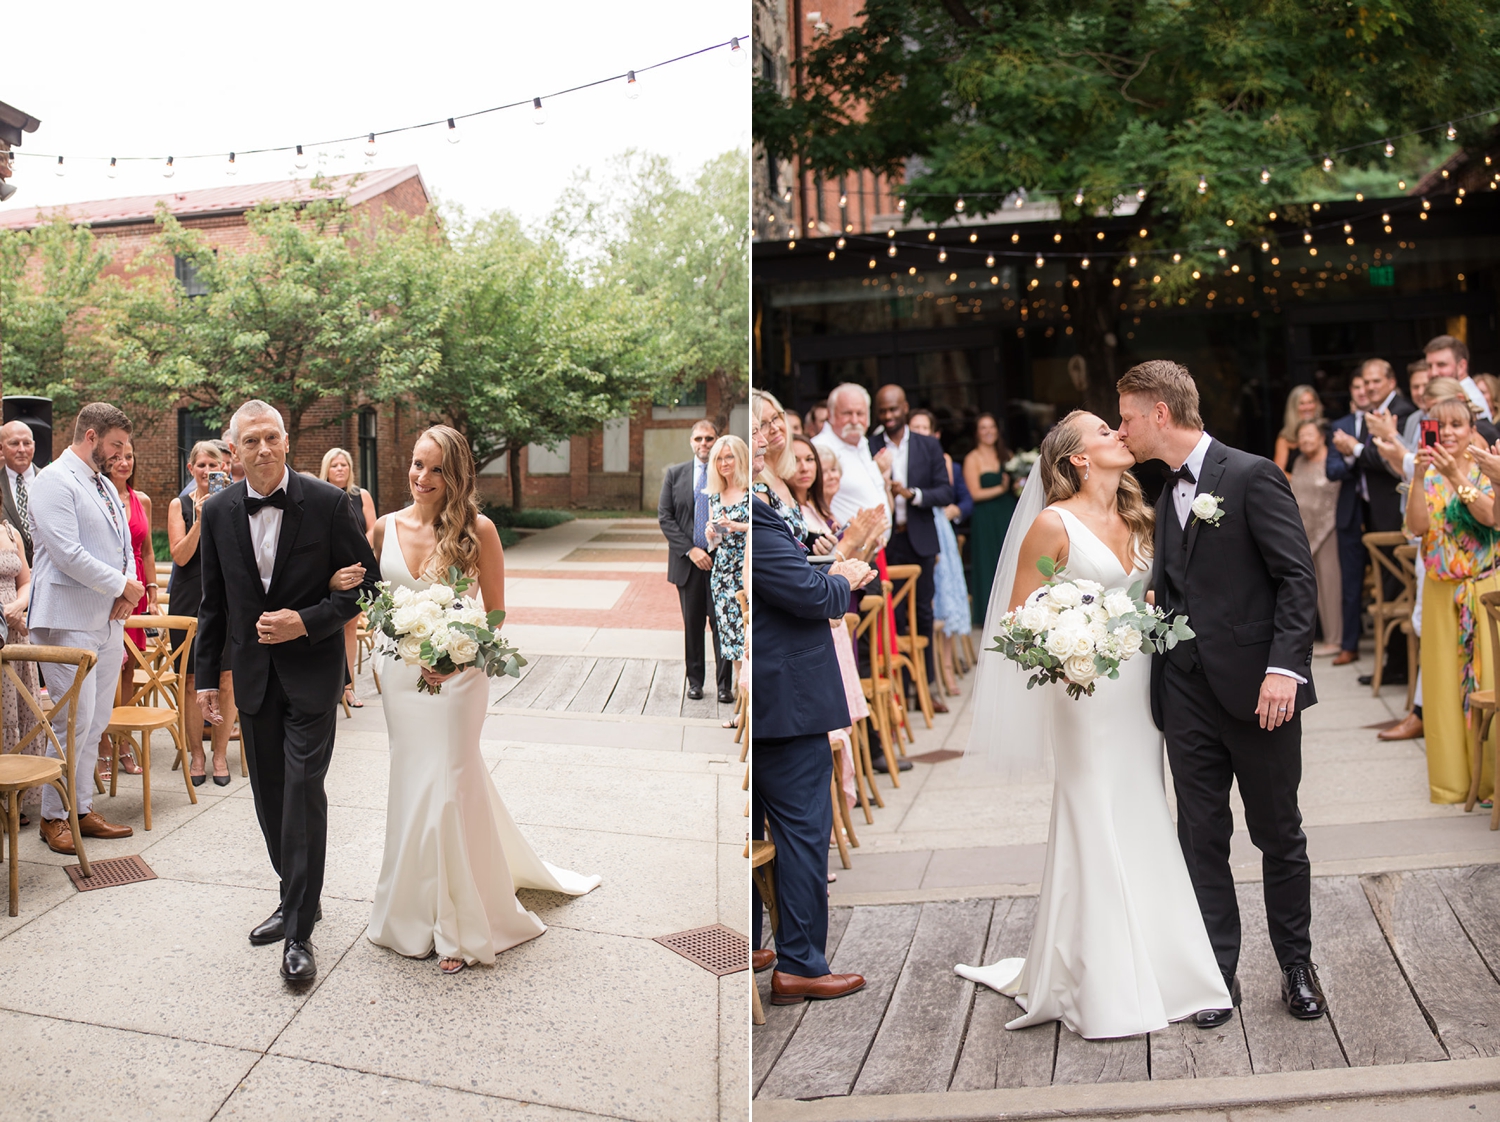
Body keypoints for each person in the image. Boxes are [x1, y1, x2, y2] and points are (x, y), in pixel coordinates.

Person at [955, 408, 1232, 1039]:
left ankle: (1163, 961)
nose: (1119, 435)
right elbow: (1016, 621)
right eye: (1104, 432)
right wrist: (1071, 641)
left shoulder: (1142, 514)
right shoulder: (1052, 525)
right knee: (1092, 808)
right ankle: (1102, 977)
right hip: (1083, 692)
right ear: (1078, 458)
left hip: (1139, 688)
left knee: (1140, 806)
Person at [1117, 360, 1324, 1024]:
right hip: (1185, 694)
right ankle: (1216, 975)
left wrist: (1283, 671)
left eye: (1125, 417)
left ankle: (1297, 966)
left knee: (1277, 835)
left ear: (1160, 414)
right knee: (1200, 836)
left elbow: (1296, 578)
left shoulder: (1252, 474)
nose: (1121, 430)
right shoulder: (1161, 491)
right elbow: (1182, 587)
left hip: (1260, 695)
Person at [366, 425, 600, 974]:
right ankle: (409, 910)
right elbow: (373, 601)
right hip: (401, 679)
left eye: (436, 469)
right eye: (417, 465)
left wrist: (451, 656)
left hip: (458, 678)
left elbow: (494, 613)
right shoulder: (382, 528)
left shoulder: (479, 531)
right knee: (411, 783)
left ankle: (460, 924)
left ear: (457, 475)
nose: (421, 478)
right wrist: (393, 650)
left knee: (449, 783)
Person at [195, 400, 380, 983]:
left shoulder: (327, 503)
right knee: (271, 798)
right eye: (250, 441)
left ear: (286, 441)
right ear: (234, 451)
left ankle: (299, 929)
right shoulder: (220, 509)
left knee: (303, 791)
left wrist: (308, 620)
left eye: (271, 437)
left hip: (312, 674)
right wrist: (205, 681)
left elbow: (369, 586)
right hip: (251, 680)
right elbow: (213, 604)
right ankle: (298, 892)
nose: (263, 449)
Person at [751, 414, 875, 1004]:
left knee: (759, 829)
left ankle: (753, 943)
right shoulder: (751, 513)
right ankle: (800, 963)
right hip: (786, 699)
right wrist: (844, 574)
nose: (768, 441)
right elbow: (807, 595)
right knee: (802, 831)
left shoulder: (753, 508)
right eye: (758, 431)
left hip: (773, 695)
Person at [28, 403, 144, 855]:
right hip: (66, 618)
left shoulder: (103, 483)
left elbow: (122, 545)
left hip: (107, 619)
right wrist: (123, 584)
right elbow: (66, 552)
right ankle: (52, 817)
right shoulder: (54, 480)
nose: (120, 457)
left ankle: (81, 807)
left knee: (95, 722)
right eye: (115, 446)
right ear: (91, 436)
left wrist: (127, 588)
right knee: (69, 722)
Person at [1405, 396, 1500, 805]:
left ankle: (1493, 782)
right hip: (1442, 593)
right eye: (1438, 426)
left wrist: (1455, 474)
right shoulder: (1426, 475)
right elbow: (1416, 526)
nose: (1447, 434)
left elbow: (1490, 516)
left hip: (1483, 594)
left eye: (1456, 425)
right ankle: (1455, 784)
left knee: (1489, 684)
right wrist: (1418, 475)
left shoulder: (1486, 468)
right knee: (1444, 689)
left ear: (1471, 427)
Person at [869, 386, 954, 711]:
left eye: (894, 410)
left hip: (919, 538)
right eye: (883, 411)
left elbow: (944, 492)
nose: (889, 416)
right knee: (894, 616)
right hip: (887, 541)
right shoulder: (870, 446)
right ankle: (901, 692)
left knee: (922, 613)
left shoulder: (928, 445)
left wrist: (912, 494)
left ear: (905, 407)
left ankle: (926, 688)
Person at [1334, 359, 1417, 686]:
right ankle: (1394, 664)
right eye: (1365, 382)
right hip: (1374, 512)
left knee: (1398, 589)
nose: (1368, 387)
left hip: (1396, 512)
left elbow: (1390, 460)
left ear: (1391, 380)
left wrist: (1353, 448)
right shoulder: (1374, 413)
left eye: (1375, 381)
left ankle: (1399, 665)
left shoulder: (1402, 411)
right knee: (1389, 587)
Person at [168, 441, 238, 786]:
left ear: (225, 468)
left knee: (226, 679)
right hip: (188, 600)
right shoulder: (178, 505)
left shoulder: (235, 502)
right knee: (193, 680)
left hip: (226, 599)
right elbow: (180, 557)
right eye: (202, 465)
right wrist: (199, 519)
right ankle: (196, 754)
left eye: (215, 464)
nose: (208, 471)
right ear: (191, 469)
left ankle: (221, 754)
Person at [658, 421, 733, 704]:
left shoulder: (727, 474)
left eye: (709, 438)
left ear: (717, 440)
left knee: (721, 624)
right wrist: (691, 550)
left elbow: (735, 516)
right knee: (692, 626)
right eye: (699, 439)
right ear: (691, 441)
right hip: (688, 564)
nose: (704, 444)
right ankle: (695, 682)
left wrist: (716, 539)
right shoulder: (675, 474)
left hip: (721, 563)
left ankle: (725, 684)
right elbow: (665, 517)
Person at [101, 439, 158, 780]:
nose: (124, 463)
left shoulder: (142, 500)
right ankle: (103, 745)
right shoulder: (99, 497)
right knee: (107, 669)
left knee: (128, 671)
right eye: (117, 457)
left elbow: (148, 551)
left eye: (129, 457)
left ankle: (124, 741)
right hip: (109, 588)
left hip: (136, 587)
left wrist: (151, 592)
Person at [910, 410, 972, 693]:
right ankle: (929, 672)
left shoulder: (942, 459)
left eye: (925, 427)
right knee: (927, 600)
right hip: (917, 527)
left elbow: (955, 495)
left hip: (939, 527)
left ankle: (947, 670)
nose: (920, 432)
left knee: (946, 595)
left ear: (935, 433)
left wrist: (955, 510)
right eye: (915, 428)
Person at [319, 447, 378, 711]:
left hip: (357, 568)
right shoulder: (319, 495)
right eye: (334, 465)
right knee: (324, 626)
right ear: (327, 469)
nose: (340, 469)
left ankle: (348, 687)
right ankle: (327, 688)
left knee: (350, 626)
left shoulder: (360, 495)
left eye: (344, 465)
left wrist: (358, 548)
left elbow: (373, 528)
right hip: (327, 571)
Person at [705, 434, 750, 722]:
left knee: (749, 640)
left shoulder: (752, 490)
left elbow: (765, 529)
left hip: (745, 572)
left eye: (729, 457)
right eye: (719, 458)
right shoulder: (714, 494)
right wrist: (712, 536)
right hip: (721, 573)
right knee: (732, 642)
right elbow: (716, 543)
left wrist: (736, 525)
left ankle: (752, 710)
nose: (724, 463)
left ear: (740, 457)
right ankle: (741, 711)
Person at [1288, 421, 1342, 658]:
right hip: (1306, 531)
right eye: (1301, 436)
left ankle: (1336, 639)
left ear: (1321, 437)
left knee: (1332, 585)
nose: (1306, 440)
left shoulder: (1332, 460)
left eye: (1310, 435)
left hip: (1330, 529)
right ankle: (1324, 636)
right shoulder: (1299, 462)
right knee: (1315, 586)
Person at [0, 511, 39, 824]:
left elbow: (26, 580)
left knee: (19, 709)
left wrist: (18, 605)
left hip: (14, 629)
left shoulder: (10, 531)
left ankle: (17, 795)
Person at [810, 385, 891, 533]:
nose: (854, 420)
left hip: (876, 549)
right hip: (845, 550)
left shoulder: (862, 442)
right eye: (847, 413)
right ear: (830, 414)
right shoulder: (818, 449)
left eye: (860, 413)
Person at [964, 413, 1015, 627]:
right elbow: (974, 493)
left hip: (1007, 513)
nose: (988, 431)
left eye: (991, 427)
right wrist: (1000, 488)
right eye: (983, 428)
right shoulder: (972, 458)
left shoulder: (1007, 455)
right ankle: (989, 614)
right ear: (977, 432)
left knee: (1011, 560)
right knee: (988, 563)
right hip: (985, 517)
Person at [1425, 334, 1493, 421]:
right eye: (1429, 366)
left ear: (1461, 366)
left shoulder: (1472, 401)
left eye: (1441, 365)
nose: (1433, 373)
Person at [0, 419, 37, 566]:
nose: (21, 449)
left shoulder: (52, 481)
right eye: (14, 443)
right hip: (10, 580)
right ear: (1, 448)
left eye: (27, 443)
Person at [1273, 386, 1324, 474]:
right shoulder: (1285, 438)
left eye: (1310, 402)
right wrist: (1301, 481)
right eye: (1302, 403)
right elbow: (1278, 472)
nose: (1307, 407)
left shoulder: (1326, 429)